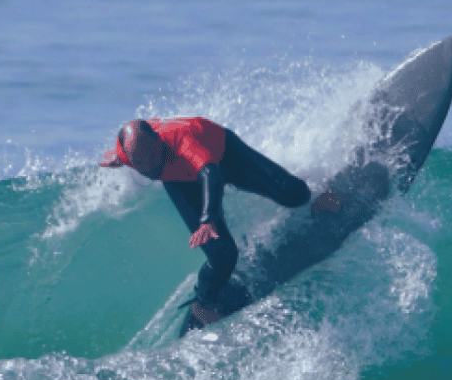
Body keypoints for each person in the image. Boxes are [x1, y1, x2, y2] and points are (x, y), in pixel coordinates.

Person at [100, 117, 340, 327]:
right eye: (139, 161)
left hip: (223, 155)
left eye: (152, 154)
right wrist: (125, 160)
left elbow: (210, 175)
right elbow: (138, 154)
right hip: (181, 180)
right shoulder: (129, 152)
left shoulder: (183, 142)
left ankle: (318, 195)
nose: (149, 164)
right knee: (223, 253)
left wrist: (208, 219)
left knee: (294, 193)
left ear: (158, 141)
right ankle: (204, 304)